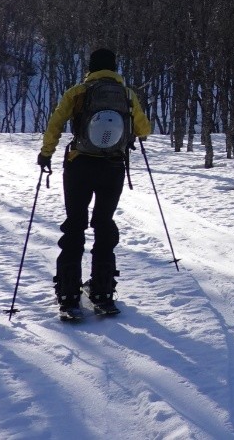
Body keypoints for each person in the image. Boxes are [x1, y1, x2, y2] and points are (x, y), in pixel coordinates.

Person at [37, 48, 152, 317]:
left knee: (75, 225)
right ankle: (102, 292)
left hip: (79, 166)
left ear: (90, 67)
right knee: (104, 224)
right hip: (112, 167)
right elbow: (144, 130)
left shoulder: (78, 91)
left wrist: (46, 153)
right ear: (114, 67)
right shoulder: (126, 94)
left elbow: (56, 122)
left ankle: (68, 293)